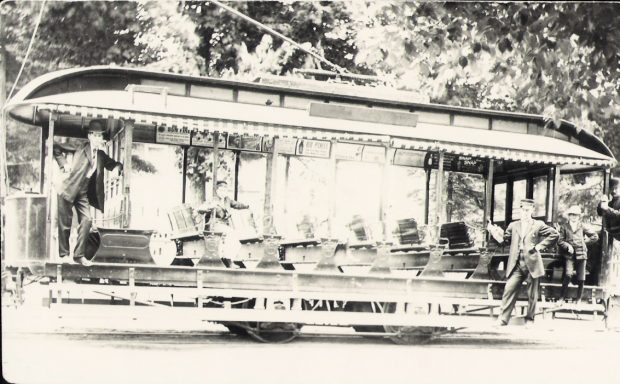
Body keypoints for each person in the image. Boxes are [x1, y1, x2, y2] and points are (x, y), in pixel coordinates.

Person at [53, 120, 123, 266]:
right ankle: (64, 255)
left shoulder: (101, 155)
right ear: (90, 136)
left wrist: (117, 168)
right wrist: (63, 164)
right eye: (96, 136)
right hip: (68, 188)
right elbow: (56, 147)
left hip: (83, 191)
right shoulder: (79, 146)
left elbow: (114, 164)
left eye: (100, 136)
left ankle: (78, 255)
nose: (99, 139)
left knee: (87, 220)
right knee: (65, 224)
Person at [487, 198, 559, 326]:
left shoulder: (538, 224)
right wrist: (494, 231)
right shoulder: (513, 225)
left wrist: (539, 247)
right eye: (523, 210)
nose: (525, 212)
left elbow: (554, 235)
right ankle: (503, 319)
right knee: (509, 289)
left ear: (532, 210)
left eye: (527, 210)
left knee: (532, 294)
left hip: (532, 263)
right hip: (516, 264)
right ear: (520, 210)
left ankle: (530, 320)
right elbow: (504, 241)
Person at [197, 180, 249, 259]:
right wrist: (209, 207)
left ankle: (227, 257)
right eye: (221, 190)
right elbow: (201, 208)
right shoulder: (212, 200)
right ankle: (227, 259)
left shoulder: (227, 200)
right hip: (214, 225)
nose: (223, 192)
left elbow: (237, 205)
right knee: (232, 234)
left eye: (225, 190)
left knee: (235, 238)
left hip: (224, 225)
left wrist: (247, 206)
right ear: (217, 191)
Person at [557, 205, 598, 304]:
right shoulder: (564, 227)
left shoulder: (582, 226)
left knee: (581, 277)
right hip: (569, 255)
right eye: (572, 215)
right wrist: (568, 246)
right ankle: (561, 298)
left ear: (579, 216)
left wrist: (585, 242)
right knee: (568, 274)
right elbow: (560, 240)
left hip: (581, 254)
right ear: (569, 216)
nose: (574, 217)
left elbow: (595, 236)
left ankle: (578, 299)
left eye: (576, 215)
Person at [597, 177, 620, 287]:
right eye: (612, 188)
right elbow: (600, 212)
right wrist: (601, 203)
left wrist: (607, 208)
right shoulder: (611, 202)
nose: (614, 191)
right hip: (610, 234)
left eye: (616, 188)